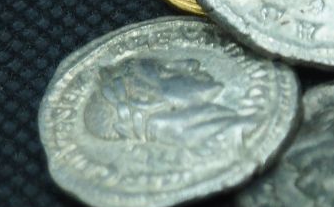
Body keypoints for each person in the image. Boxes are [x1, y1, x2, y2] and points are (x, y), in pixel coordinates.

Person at [83, 58, 257, 147]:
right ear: (145, 99)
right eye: (164, 70)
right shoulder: (237, 129)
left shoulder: (223, 120)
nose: (191, 63)